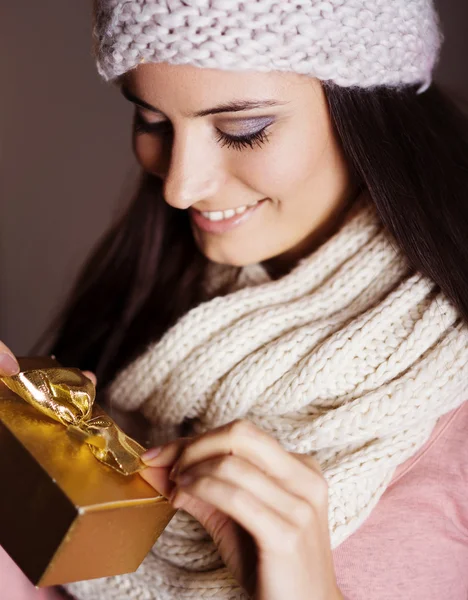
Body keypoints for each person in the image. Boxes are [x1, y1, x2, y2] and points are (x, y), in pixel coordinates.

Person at [2, 0, 468, 598]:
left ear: (373, 111)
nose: (179, 186)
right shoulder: (137, 314)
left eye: (243, 130)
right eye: (152, 121)